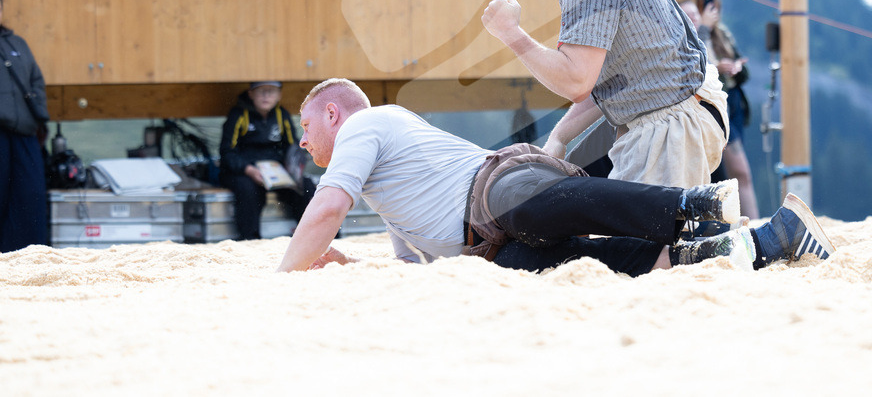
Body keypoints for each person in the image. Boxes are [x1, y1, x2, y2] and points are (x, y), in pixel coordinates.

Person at [275, 78, 835, 274]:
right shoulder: (387, 177)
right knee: (618, 263)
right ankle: (768, 240)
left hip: (496, 191)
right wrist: (351, 265)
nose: (302, 140)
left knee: (579, 204)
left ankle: (697, 204)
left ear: (333, 113)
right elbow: (415, 267)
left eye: (304, 124)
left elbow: (326, 211)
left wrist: (280, 275)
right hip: (492, 249)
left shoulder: (364, 124)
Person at [481, 0, 727, 190]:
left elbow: (577, 82)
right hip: (672, 114)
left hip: (670, 128)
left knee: (642, 239)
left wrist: (510, 33)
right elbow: (609, 79)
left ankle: (770, 239)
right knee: (563, 198)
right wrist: (559, 137)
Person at [219, 81, 314, 240]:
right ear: (251, 94)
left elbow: (292, 147)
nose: (266, 96)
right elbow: (227, 152)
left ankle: (314, 237)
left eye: (271, 91)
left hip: (275, 172)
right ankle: (250, 239)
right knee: (249, 190)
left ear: (279, 95)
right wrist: (249, 170)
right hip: (245, 171)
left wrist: (292, 169)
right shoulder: (238, 115)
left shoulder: (281, 115)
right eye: (261, 91)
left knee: (306, 187)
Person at [696, 0, 759, 219]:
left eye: (716, 9)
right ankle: (747, 222)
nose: (715, 15)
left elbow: (742, 72)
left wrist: (736, 67)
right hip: (714, 108)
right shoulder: (698, 35)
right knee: (734, 173)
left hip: (732, 105)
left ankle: (752, 222)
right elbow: (701, 68)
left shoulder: (722, 34)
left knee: (736, 173)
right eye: (709, 9)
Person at [0, 0, 50, 252]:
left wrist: (38, 115)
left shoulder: (17, 43)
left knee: (29, 200)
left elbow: (36, 81)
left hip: (24, 135)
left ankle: (28, 265)